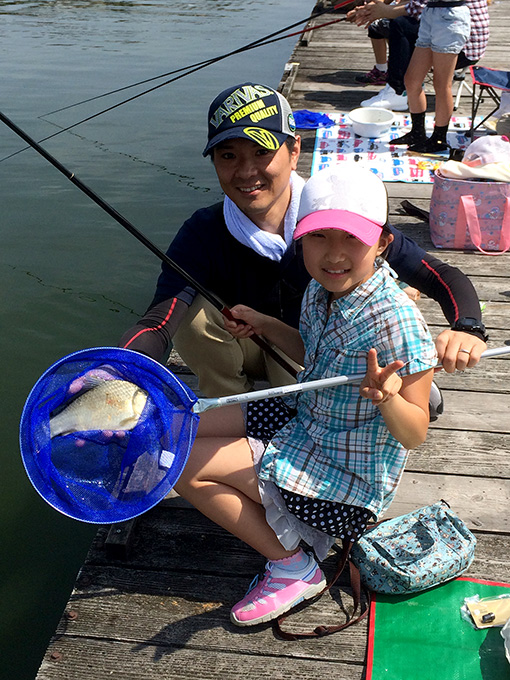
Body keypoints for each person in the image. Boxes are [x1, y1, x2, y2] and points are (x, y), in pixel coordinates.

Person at [173, 166, 438, 626]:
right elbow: (313, 351)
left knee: (181, 464)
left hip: (343, 479)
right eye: (318, 237)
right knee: (182, 425)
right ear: (301, 239)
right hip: (305, 420)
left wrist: (388, 399)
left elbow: (415, 432)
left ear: (382, 242)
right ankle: (280, 521)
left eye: (351, 238)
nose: (333, 254)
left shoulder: (398, 322)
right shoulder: (321, 289)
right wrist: (266, 325)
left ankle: (292, 566)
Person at [119, 82, 488, 398]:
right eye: (228, 155)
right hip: (245, 346)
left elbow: (439, 275)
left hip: (317, 353)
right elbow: (157, 323)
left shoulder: (335, 214)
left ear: (294, 151)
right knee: (193, 317)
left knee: (313, 398)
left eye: (262, 152)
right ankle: (227, 402)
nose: (246, 171)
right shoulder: (202, 231)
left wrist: (468, 327)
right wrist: (114, 370)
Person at [391, 0, 490, 154]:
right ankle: (418, 133)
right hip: (431, 13)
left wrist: (383, 10)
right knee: (411, 80)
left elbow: (415, 5)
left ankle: (439, 139)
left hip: (451, 16)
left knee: (442, 84)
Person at [357, 0, 489, 112]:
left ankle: (397, 90)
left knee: (399, 24)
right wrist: (372, 10)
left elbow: (417, 8)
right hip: (462, 39)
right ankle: (405, 88)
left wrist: (380, 11)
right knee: (389, 23)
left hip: (460, 47)